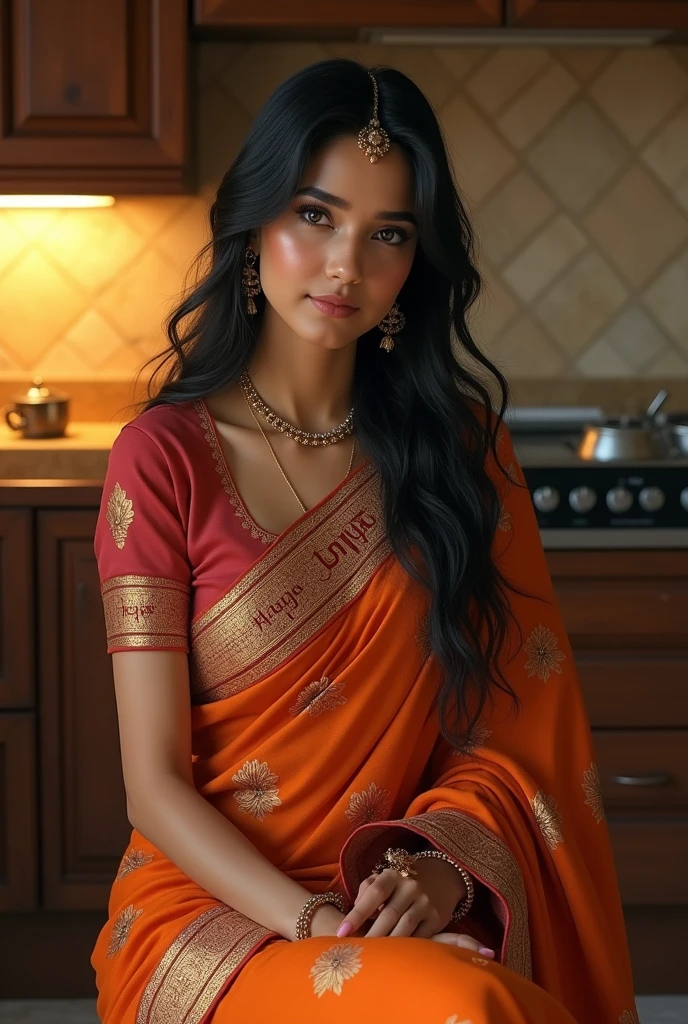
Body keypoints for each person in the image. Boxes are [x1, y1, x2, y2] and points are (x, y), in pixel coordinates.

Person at [91, 59, 637, 1024]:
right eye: (316, 215)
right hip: (209, 912)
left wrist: (437, 869)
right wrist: (313, 922)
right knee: (465, 1010)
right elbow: (153, 787)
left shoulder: (461, 452)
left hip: (386, 896)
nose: (347, 263)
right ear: (253, 223)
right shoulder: (162, 459)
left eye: (387, 234)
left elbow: (513, 736)